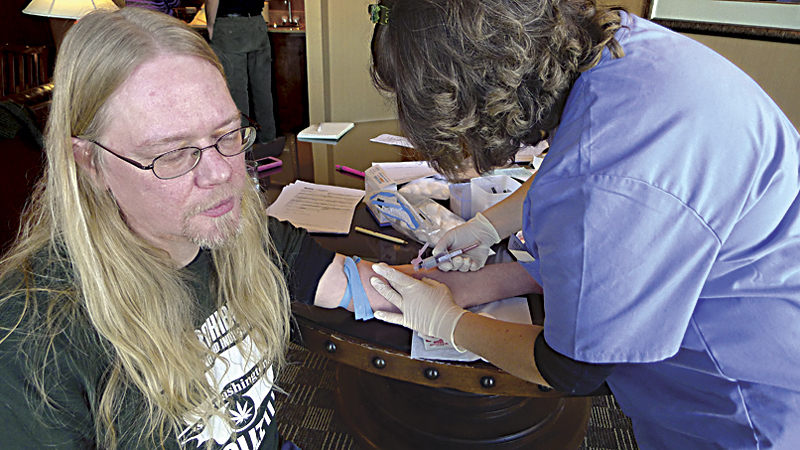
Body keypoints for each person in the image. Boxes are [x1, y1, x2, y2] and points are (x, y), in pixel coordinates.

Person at [0, 8, 538, 450]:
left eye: (227, 135)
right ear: (90, 163)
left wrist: (525, 277)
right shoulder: (31, 341)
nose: (222, 175)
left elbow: (366, 285)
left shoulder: (241, 236)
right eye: (174, 154)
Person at [367, 1, 800, 449]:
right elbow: (592, 153)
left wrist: (450, 323)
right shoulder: (618, 45)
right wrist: (489, 225)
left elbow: (571, 369)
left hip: (748, 396)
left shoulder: (601, 185)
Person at [206, 0, 277, 146]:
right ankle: (268, 140)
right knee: (262, 89)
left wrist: (211, 26)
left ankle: (242, 146)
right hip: (257, 22)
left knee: (237, 92)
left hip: (230, 25)